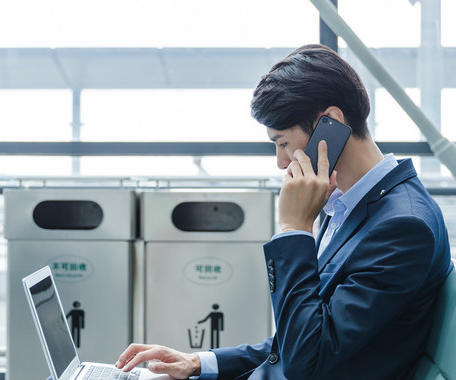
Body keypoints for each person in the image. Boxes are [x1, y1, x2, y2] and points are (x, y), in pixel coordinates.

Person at [114, 44, 454, 379]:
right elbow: (300, 334)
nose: (280, 162)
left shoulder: (403, 226)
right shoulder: (354, 207)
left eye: (282, 143)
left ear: (331, 125)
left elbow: (307, 357)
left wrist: (295, 228)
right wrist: (200, 362)